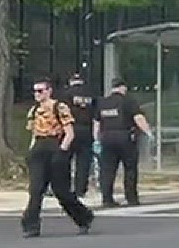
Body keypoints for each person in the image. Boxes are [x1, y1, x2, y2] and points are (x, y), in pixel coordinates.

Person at [21, 78, 94, 238]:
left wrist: (62, 151)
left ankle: (83, 217)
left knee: (61, 191)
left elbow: (69, 133)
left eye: (40, 91)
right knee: (36, 189)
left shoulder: (59, 107)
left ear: (49, 91)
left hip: (55, 146)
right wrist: (31, 151)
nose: (37, 94)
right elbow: (34, 133)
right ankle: (31, 225)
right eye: (35, 91)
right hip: (39, 148)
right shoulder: (33, 110)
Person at [95, 79, 152, 207]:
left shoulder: (102, 102)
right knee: (130, 169)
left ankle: (107, 199)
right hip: (125, 137)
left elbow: (97, 123)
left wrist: (97, 139)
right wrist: (148, 132)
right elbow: (138, 118)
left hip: (106, 137)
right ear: (123, 88)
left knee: (107, 170)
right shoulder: (128, 101)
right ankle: (131, 198)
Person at [63, 71, 98, 197]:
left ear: (71, 82)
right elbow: (96, 115)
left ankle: (64, 187)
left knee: (65, 160)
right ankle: (80, 189)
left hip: (70, 130)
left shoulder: (66, 94)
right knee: (83, 162)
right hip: (87, 130)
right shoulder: (91, 94)